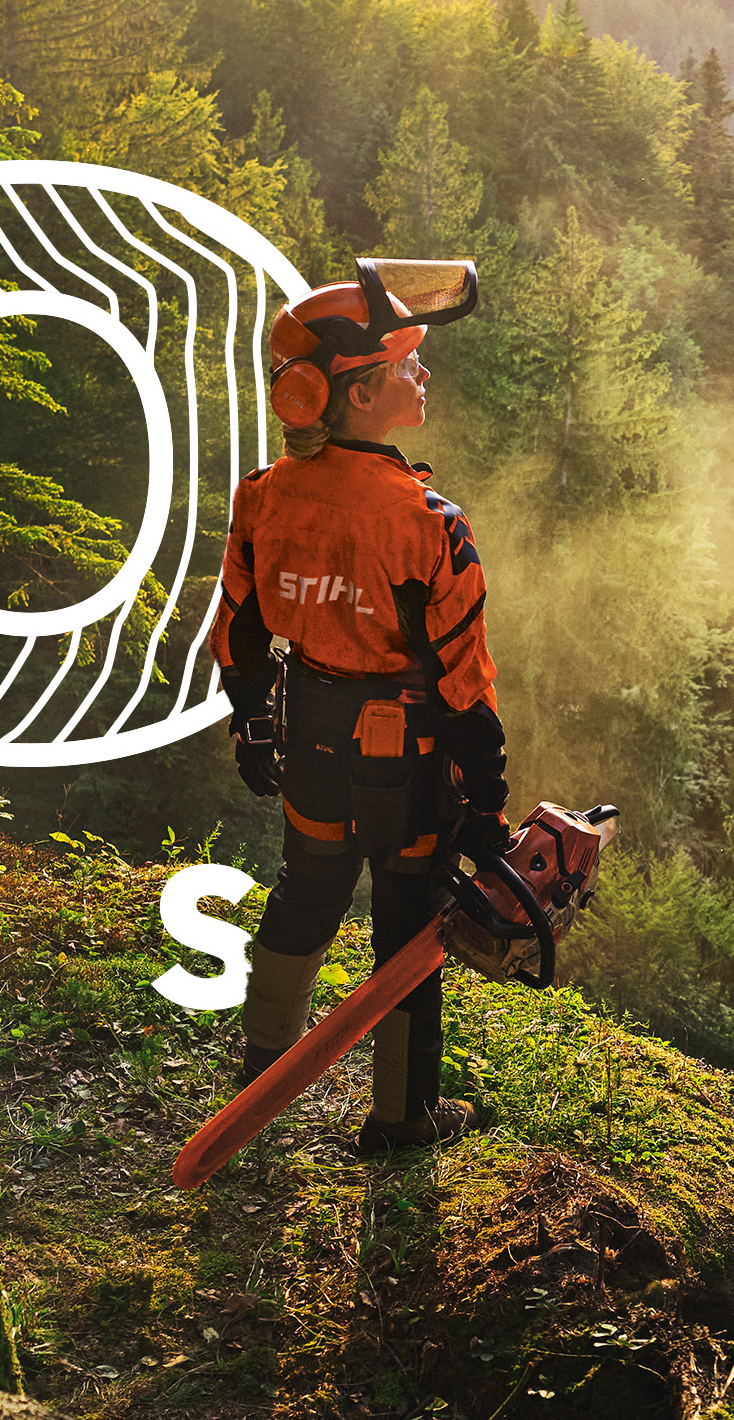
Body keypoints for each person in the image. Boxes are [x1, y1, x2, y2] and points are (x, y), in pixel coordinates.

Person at [212, 256, 510, 1153]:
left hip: (310, 728)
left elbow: (237, 626)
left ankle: (263, 1068)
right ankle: (401, 1118)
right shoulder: (429, 521)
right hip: (404, 748)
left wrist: (254, 719)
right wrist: (487, 796)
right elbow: (464, 678)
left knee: (306, 889)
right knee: (408, 920)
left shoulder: (264, 497)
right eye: (408, 364)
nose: (423, 373)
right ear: (361, 391)